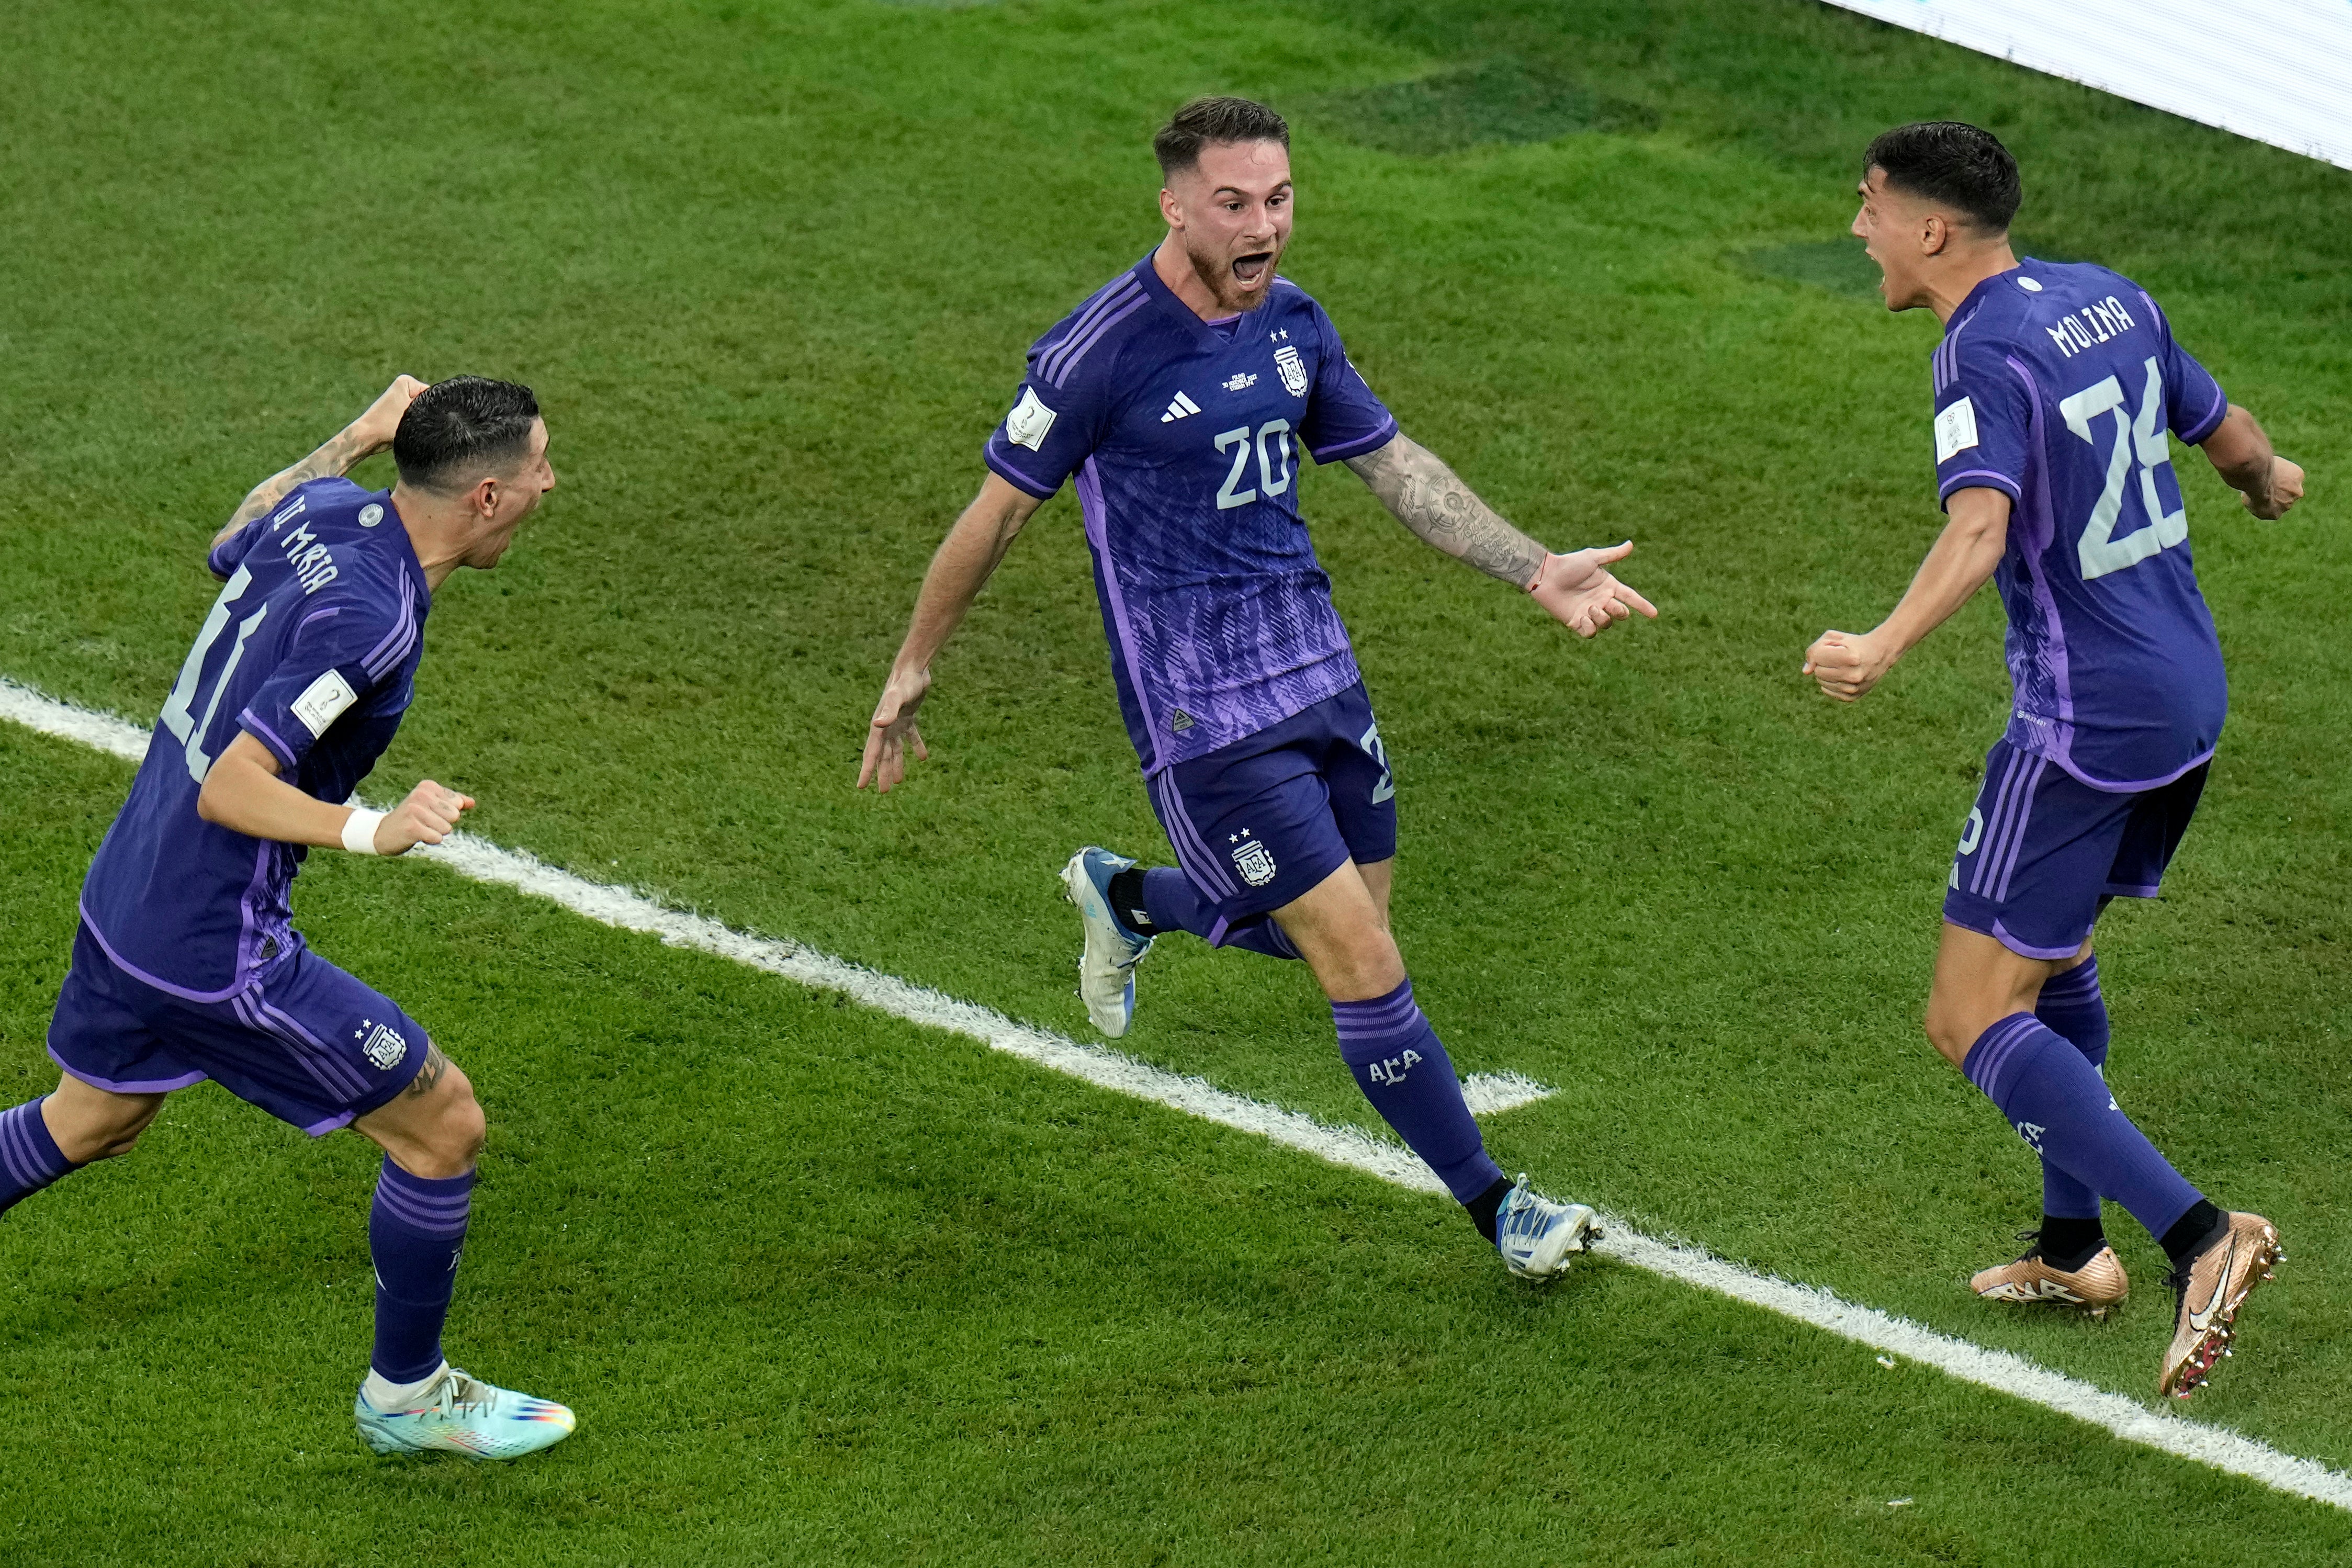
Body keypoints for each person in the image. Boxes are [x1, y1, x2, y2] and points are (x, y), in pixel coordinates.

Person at [858, 97, 1655, 1278]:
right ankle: (1500, 1207)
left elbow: (1395, 466)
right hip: (1204, 717)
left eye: (1278, 198)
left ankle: (1130, 898)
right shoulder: (1100, 350)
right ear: (1174, 206)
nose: (1263, 225)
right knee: (1360, 963)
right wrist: (915, 661)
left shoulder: (1293, 324)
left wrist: (1534, 566)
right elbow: (995, 515)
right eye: (1233, 203)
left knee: (1341, 936)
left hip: (1321, 673)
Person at [1805, 122, 2305, 1397]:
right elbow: (2226, 428)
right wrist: (2265, 479)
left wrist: (1881, 641)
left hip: (2084, 722)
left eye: (1868, 207)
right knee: (2058, 949)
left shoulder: (1977, 351)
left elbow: (1981, 529)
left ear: (1930, 229)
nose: (1856, 227)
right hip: (2187, 690)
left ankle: (2201, 1235)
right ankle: (2075, 1247)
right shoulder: (2104, 295)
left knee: (1967, 1011)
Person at [0, 376, 577, 1456]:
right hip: (213, 945)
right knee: (443, 1123)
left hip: (129, 886)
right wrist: (375, 829)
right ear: (488, 496)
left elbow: (234, 537)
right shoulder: (375, 620)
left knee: (93, 1121)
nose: (553, 480)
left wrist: (353, 438)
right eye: (542, 465)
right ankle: (407, 1399)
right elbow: (233, 783)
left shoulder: (327, 509)